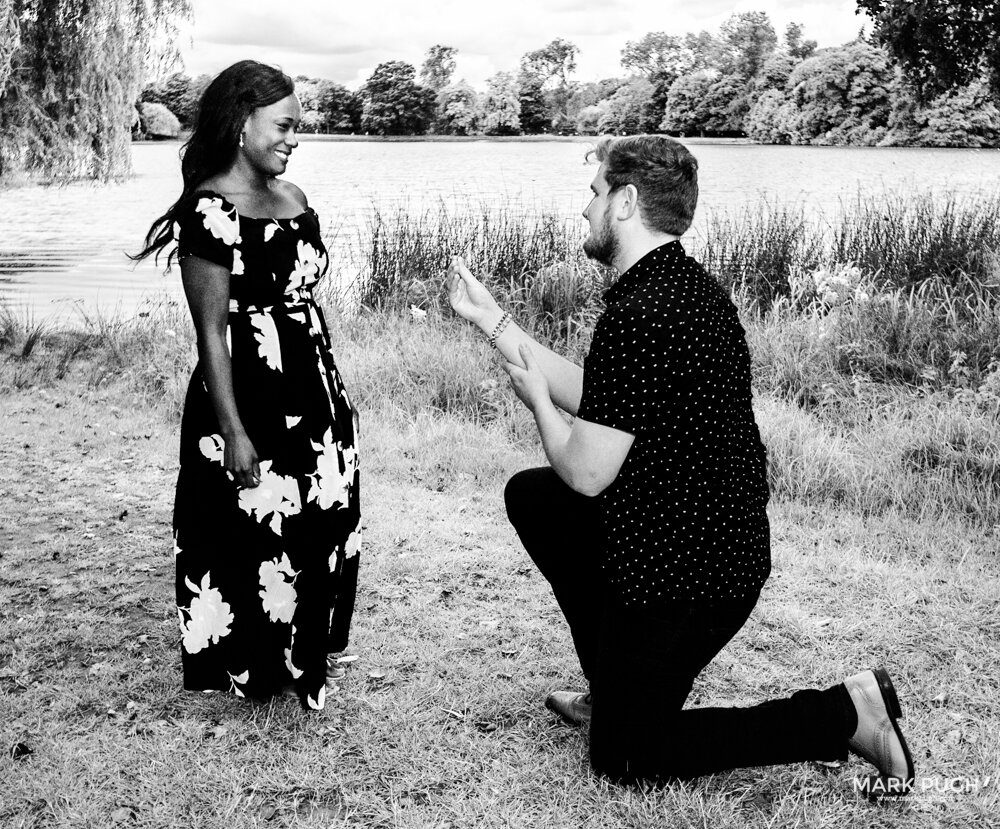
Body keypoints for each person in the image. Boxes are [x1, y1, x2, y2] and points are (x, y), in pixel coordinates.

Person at [446, 134, 914, 792]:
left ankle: (842, 713)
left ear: (626, 202)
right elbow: (600, 395)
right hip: (678, 543)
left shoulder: (644, 312)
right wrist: (495, 322)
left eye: (595, 193)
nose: (586, 210)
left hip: (693, 573)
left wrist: (536, 405)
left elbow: (586, 470)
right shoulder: (677, 288)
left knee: (628, 754)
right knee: (536, 496)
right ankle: (616, 687)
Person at [132, 60, 360, 710]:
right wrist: (231, 428)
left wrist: (334, 394)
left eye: (298, 127)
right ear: (242, 121)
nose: (295, 138)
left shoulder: (297, 200)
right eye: (284, 125)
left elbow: (304, 300)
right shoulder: (208, 210)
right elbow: (210, 334)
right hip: (245, 395)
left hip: (314, 390)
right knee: (248, 532)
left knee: (319, 523)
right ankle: (255, 669)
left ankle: (306, 658)